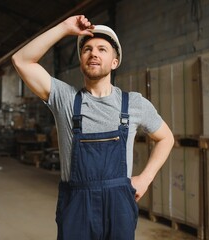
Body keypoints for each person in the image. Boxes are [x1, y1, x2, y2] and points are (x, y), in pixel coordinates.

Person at [12, 15, 174, 240]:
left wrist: (145, 178)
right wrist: (64, 28)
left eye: (102, 49)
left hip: (119, 206)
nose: (93, 53)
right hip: (76, 206)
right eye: (87, 49)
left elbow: (166, 138)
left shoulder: (133, 104)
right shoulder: (66, 100)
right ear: (81, 60)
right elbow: (21, 60)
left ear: (115, 62)